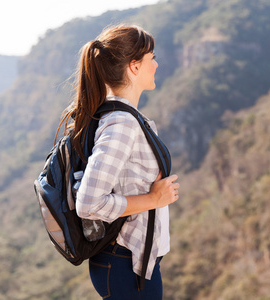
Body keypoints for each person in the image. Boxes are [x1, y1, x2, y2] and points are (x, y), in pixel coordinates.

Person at [56, 24, 180, 299]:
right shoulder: (122, 123)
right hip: (124, 263)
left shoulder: (118, 115)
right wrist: (153, 199)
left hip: (127, 262)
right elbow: (89, 203)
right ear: (134, 67)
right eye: (152, 58)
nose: (157, 65)